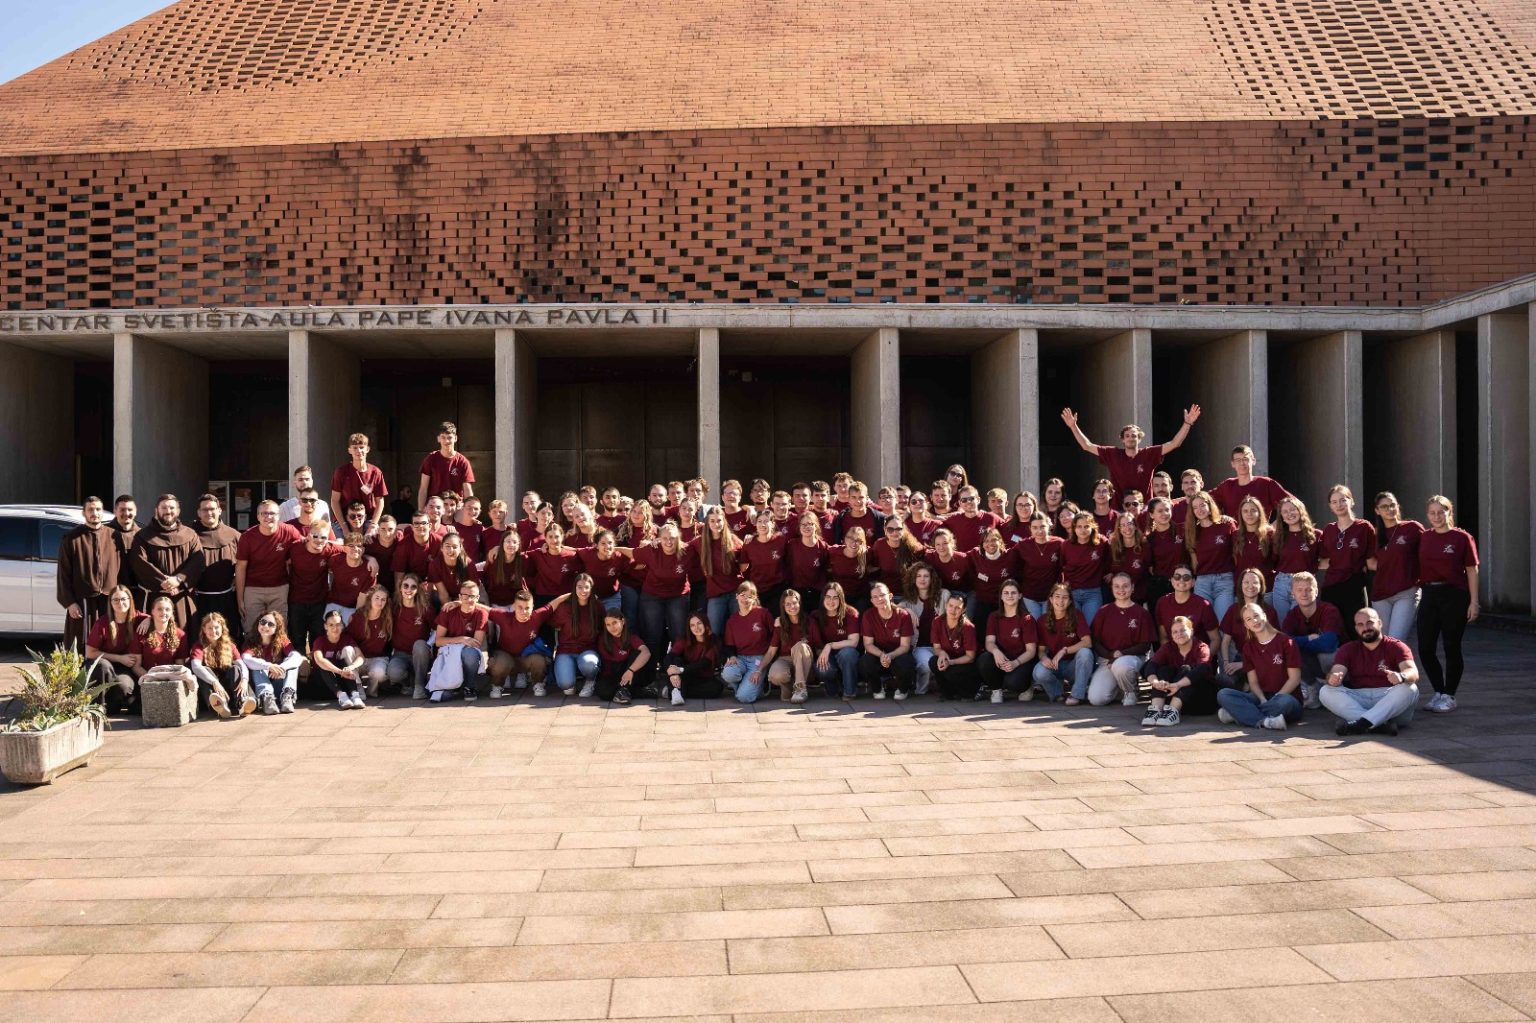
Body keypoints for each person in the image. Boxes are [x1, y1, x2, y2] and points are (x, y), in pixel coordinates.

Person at [1059, 404, 1201, 501]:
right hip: (1120, 510)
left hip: (1145, 509)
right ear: (1122, 439)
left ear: (1139, 438)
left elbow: (1175, 443)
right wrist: (1073, 426)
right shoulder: (1112, 454)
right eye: (1127, 436)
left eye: (1134, 435)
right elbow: (1087, 446)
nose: (1131, 438)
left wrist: (1187, 423)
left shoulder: (1149, 454)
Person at [1418, 495, 1480, 713]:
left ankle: (1449, 695)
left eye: (1441, 512)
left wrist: (1474, 602)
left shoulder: (1461, 538)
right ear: (1427, 515)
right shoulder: (1424, 537)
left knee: (1451, 646)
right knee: (1425, 647)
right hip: (1429, 593)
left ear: (1449, 512)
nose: (1436, 516)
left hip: (1454, 595)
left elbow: (1471, 570)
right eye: (1432, 513)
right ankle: (1438, 691)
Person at [1322, 607, 1420, 736]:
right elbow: (1336, 671)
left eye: (1369, 623)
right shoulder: (1348, 649)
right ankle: (1378, 725)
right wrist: (1333, 678)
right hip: (1359, 698)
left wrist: (1401, 676)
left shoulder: (1397, 646)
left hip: (1389, 698)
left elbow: (1413, 672)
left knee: (1410, 688)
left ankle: (1361, 723)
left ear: (1379, 623)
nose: (1365, 628)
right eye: (1360, 624)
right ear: (1356, 628)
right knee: (1325, 691)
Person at [1215, 603, 1304, 731]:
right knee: (1223, 694)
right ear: (1246, 625)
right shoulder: (1248, 647)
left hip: (1286, 697)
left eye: (1256, 615)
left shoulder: (1286, 642)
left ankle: (1240, 714)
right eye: (1249, 619)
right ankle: (1266, 721)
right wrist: (1262, 699)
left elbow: (1294, 679)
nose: (1254, 621)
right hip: (1261, 697)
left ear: (1264, 616)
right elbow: (1253, 682)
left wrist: (1277, 696)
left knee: (1284, 702)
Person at [56, 495, 119, 653]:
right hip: (82, 602)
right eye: (90, 510)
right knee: (80, 644)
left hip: (108, 601)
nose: (95, 513)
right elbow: (63, 574)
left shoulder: (114, 536)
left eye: (98, 509)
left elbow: (121, 569)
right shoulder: (72, 538)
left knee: (108, 641)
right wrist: (70, 602)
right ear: (84, 513)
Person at [129, 494, 203, 627]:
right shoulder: (142, 536)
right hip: (154, 598)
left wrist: (178, 580)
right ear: (156, 510)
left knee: (183, 635)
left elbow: (197, 561)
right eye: (164, 508)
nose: (168, 511)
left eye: (172, 508)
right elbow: (139, 562)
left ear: (178, 511)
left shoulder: (190, 535)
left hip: (181, 597)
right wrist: (164, 582)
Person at [236, 500, 303, 637]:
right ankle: (252, 651)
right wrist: (240, 599)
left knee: (279, 630)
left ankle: (278, 652)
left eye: (272, 513)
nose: (268, 517)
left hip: (279, 588)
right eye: (264, 513)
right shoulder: (247, 537)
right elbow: (241, 568)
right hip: (253, 589)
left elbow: (305, 545)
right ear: (258, 516)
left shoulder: (288, 531)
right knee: (252, 630)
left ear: (279, 515)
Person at [1318, 484, 1377, 641]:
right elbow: (1324, 561)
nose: (1339, 504)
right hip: (1330, 587)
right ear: (1330, 506)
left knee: (1356, 630)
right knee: (1332, 630)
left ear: (1351, 501)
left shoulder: (1364, 527)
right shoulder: (1328, 530)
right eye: (1334, 502)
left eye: (1343, 500)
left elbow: (1371, 561)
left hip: (1354, 586)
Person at [1087, 573, 1154, 706]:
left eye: (1125, 586)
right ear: (1111, 588)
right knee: (1096, 699)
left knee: (1121, 665)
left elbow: (1145, 645)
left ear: (1132, 588)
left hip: (1132, 659)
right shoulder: (1104, 611)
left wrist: (1121, 654)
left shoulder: (1142, 613)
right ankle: (1119, 688)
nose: (1121, 590)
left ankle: (1131, 691)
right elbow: (1095, 641)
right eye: (1116, 586)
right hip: (1107, 660)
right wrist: (1110, 655)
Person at [1281, 571, 1344, 708]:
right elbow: (1283, 643)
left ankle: (1334, 687)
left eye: (1308, 589)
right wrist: (1308, 638)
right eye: (1299, 590)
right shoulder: (1292, 615)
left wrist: (1298, 642)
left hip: (1335, 660)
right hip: (1310, 659)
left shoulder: (1329, 610)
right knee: (1290, 653)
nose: (1304, 594)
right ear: (1293, 594)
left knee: (1324, 654)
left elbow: (1328, 644)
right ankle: (1313, 688)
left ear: (1316, 591)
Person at [1141, 615, 1215, 726]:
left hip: (1201, 699)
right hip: (1177, 698)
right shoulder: (1168, 647)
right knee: (1164, 670)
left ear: (1191, 631)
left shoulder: (1201, 647)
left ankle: (1172, 711)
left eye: (1183, 630)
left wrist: (1178, 685)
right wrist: (1155, 682)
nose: (1179, 634)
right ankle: (1156, 710)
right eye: (1175, 632)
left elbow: (1202, 669)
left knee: (1187, 669)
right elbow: (1151, 665)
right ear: (1171, 635)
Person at [1370, 491, 1423, 643]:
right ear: (1377, 510)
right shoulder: (1375, 535)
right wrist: (1391, 565)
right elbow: (1371, 563)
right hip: (1380, 595)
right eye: (1384, 506)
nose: (1389, 509)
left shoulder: (1412, 528)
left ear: (1398, 506)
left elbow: (1427, 551)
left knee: (1396, 640)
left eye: (1392, 505)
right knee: (1382, 641)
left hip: (1406, 592)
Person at [635, 523, 692, 663]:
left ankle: (676, 666)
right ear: (659, 539)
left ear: (678, 538)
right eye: (665, 538)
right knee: (652, 633)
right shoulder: (652, 549)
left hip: (678, 596)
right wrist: (610, 549)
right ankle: (652, 668)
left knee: (679, 634)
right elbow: (632, 553)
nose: (669, 542)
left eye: (672, 538)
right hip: (652, 596)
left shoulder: (687, 550)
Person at [189, 493, 243, 645]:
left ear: (219, 510)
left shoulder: (234, 535)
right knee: (201, 638)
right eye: (205, 510)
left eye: (212, 509)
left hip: (227, 598)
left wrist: (237, 579)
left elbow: (244, 563)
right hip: (199, 599)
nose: (209, 513)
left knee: (229, 636)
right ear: (199, 513)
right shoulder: (189, 535)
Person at [426, 579, 489, 702]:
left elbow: (476, 643)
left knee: (470, 653)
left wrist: (460, 644)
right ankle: (454, 686)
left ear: (477, 598)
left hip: (467, 654)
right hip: (449, 656)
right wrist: (462, 639)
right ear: (460, 597)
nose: (468, 599)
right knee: (442, 696)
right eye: (465, 596)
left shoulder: (481, 614)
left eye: (472, 596)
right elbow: (438, 641)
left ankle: (469, 686)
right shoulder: (448, 611)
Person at [1031, 583, 1095, 704]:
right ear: (1051, 599)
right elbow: (1041, 650)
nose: (1061, 601)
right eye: (1057, 596)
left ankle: (1076, 695)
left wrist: (1064, 650)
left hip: (1073, 666)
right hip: (1054, 664)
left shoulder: (1076, 615)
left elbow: (1087, 642)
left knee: (1085, 653)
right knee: (1039, 672)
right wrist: (1044, 658)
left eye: (1065, 597)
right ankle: (1057, 694)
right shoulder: (1042, 620)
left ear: (1070, 601)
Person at [85, 585, 145, 712]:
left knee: (123, 687)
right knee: (104, 666)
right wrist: (119, 658)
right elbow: (90, 653)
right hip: (100, 666)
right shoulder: (102, 623)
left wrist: (149, 620)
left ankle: (112, 707)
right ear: (110, 603)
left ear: (130, 600)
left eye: (123, 599)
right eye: (115, 600)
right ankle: (97, 706)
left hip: (123, 668)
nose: (120, 603)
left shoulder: (138, 618)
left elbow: (158, 616)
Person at [1218, 568, 1278, 685]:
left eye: (1255, 582)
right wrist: (1226, 663)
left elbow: (1273, 647)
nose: (1250, 586)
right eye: (1246, 582)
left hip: (1262, 658)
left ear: (1261, 586)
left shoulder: (1269, 612)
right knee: (1224, 682)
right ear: (1240, 585)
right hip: (1240, 656)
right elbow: (1225, 642)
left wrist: (1242, 665)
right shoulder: (1233, 610)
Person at [980, 580, 1037, 702]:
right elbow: (989, 642)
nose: (1009, 596)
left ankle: (1027, 687)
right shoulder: (994, 616)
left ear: (1020, 596)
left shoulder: (1027, 619)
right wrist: (996, 651)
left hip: (1021, 661)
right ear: (1001, 596)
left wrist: (1015, 663)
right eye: (1006, 593)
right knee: (984, 660)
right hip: (1002, 659)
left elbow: (1031, 651)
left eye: (1013, 593)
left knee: (1012, 683)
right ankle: (996, 690)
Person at [1184, 490, 1237, 622]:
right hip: (1202, 582)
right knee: (1204, 623)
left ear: (1210, 505)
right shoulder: (1192, 531)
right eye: (1195, 507)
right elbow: (1194, 562)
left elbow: (1237, 553)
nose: (1199, 510)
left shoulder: (1226, 525)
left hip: (1224, 580)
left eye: (1202, 505)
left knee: (1222, 621)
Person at [286, 522, 336, 663]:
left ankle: (317, 669)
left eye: (323, 537)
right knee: (297, 638)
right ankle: (299, 670)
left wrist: (371, 559)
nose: (319, 540)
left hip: (319, 602)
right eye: (315, 536)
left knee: (318, 638)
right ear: (307, 536)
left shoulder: (329, 549)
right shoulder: (295, 548)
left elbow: (349, 548)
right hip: (296, 600)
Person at [131, 594, 195, 702]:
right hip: (148, 680)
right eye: (159, 609)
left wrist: (168, 682)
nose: (164, 612)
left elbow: (179, 665)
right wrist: (153, 680)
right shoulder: (141, 632)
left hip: (171, 680)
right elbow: (136, 666)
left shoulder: (180, 635)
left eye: (167, 609)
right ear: (152, 611)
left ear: (172, 613)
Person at [189, 612, 253, 719]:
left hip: (229, 688)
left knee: (235, 668)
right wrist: (214, 682)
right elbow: (196, 666)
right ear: (204, 629)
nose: (213, 631)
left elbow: (242, 665)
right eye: (210, 628)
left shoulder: (229, 645)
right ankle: (220, 706)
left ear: (222, 628)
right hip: (213, 690)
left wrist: (245, 680)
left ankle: (242, 703)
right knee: (204, 670)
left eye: (216, 627)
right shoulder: (198, 646)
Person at [859, 581, 916, 700]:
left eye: (882, 595)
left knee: (907, 661)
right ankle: (877, 688)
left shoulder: (903, 615)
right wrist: (882, 655)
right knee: (865, 661)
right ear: (871, 601)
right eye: (875, 597)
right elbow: (868, 644)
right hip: (879, 655)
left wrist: (890, 655)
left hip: (897, 654)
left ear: (890, 596)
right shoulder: (868, 615)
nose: (879, 599)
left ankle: (902, 689)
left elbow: (905, 646)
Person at [897, 563, 947, 696]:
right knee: (927, 665)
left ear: (932, 579)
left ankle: (942, 688)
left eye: (926, 576)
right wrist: (907, 610)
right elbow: (893, 607)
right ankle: (921, 691)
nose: (922, 579)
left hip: (942, 645)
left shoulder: (943, 595)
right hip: (921, 646)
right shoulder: (909, 601)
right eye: (918, 576)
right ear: (914, 579)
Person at [1268, 496, 1320, 623]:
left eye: (1292, 509)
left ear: (1300, 510)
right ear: (1281, 517)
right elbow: (1272, 562)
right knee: (1283, 624)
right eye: (1285, 512)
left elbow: (1325, 559)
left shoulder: (1315, 535)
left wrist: (1312, 569)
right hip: (1281, 583)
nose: (1289, 514)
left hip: (1304, 584)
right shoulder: (1278, 537)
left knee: (1300, 623)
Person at [690, 507, 742, 635]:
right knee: (714, 630)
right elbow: (680, 547)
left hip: (735, 593)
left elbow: (747, 555)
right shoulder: (700, 542)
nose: (716, 524)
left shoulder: (733, 540)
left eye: (719, 520)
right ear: (707, 522)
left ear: (724, 521)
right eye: (712, 521)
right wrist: (657, 540)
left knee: (738, 628)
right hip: (715, 594)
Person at [722, 581, 776, 703]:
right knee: (728, 673)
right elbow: (729, 644)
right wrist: (732, 656)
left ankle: (756, 687)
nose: (745, 599)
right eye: (743, 595)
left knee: (744, 697)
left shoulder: (763, 614)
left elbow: (775, 636)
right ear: (737, 596)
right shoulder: (732, 620)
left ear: (755, 598)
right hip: (741, 659)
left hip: (759, 660)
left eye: (750, 596)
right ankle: (751, 688)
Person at [552, 573, 604, 697]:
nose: (583, 591)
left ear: (591, 589)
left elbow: (603, 628)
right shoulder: (564, 607)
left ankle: (590, 680)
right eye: (579, 587)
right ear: (574, 588)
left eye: (586, 587)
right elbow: (552, 622)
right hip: (566, 651)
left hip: (588, 650)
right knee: (566, 685)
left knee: (589, 665)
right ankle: (573, 678)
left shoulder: (597, 606)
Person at [243, 611, 303, 715]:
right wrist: (269, 666)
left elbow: (297, 657)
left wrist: (281, 668)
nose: (265, 626)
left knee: (292, 664)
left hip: (278, 683)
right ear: (258, 623)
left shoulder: (282, 640)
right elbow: (246, 658)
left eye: (270, 624)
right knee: (258, 666)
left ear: (276, 628)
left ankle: (287, 696)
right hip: (260, 687)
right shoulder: (251, 642)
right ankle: (266, 699)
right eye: (263, 622)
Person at [330, 432, 388, 537]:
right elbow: (334, 500)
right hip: (344, 519)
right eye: (355, 448)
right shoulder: (341, 472)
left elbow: (380, 501)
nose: (359, 451)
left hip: (368, 519)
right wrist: (344, 527)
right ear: (349, 450)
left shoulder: (376, 472)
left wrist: (373, 525)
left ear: (367, 449)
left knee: (375, 540)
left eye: (361, 447)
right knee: (339, 543)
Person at [1210, 446, 1292, 520]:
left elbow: (1293, 504)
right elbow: (1206, 502)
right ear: (1233, 464)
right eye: (1238, 460)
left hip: (1260, 531)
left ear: (1253, 461)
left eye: (1245, 459)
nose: (1242, 463)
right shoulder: (1227, 485)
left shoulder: (1266, 484)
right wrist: (1221, 519)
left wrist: (1275, 526)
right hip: (1234, 532)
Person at [810, 582, 862, 700]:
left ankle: (849, 691)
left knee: (848, 653)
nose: (831, 601)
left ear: (841, 599)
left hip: (845, 655)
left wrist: (830, 645)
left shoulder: (850, 613)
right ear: (823, 598)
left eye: (835, 598)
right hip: (827, 655)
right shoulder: (816, 616)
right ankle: (832, 685)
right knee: (822, 669)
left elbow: (853, 642)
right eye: (828, 597)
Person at [390, 574, 436, 700]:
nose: (409, 589)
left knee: (420, 645)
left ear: (417, 590)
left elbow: (437, 629)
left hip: (421, 654)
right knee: (393, 673)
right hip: (400, 654)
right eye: (405, 586)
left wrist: (429, 645)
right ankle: (407, 683)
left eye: (413, 587)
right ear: (400, 588)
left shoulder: (425, 608)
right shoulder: (394, 607)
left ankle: (419, 687)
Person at [663, 613, 724, 704]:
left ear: (705, 624)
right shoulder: (684, 639)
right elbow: (670, 656)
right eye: (692, 625)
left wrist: (680, 670)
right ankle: (676, 691)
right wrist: (671, 672)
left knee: (717, 688)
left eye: (699, 623)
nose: (696, 628)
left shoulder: (714, 641)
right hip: (685, 675)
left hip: (702, 677)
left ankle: (675, 691)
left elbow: (704, 663)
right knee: (676, 660)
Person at [930, 592, 982, 701]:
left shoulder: (968, 627)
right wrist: (942, 654)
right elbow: (936, 647)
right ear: (946, 605)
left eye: (957, 608)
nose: (953, 610)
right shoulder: (937, 621)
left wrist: (951, 662)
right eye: (950, 606)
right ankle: (947, 693)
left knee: (952, 671)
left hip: (965, 664)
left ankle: (968, 693)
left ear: (963, 610)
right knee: (934, 661)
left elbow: (970, 657)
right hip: (948, 659)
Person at [311, 609, 367, 709]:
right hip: (324, 685)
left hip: (342, 682)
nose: (335, 628)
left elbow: (360, 657)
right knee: (325, 665)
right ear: (325, 626)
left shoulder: (347, 639)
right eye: (331, 625)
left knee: (345, 663)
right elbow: (319, 660)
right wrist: (340, 672)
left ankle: (355, 695)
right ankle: (341, 696)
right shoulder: (319, 641)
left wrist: (350, 667)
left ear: (342, 625)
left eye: (338, 624)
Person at [346, 585, 395, 699]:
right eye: (377, 598)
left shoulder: (388, 618)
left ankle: (371, 692)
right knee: (347, 650)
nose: (379, 602)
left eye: (383, 599)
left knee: (379, 673)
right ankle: (358, 687)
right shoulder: (358, 617)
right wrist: (357, 654)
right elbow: (347, 639)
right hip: (359, 658)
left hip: (378, 658)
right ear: (370, 599)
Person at [594, 609, 651, 705]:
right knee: (601, 690)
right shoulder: (602, 639)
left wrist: (630, 670)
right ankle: (633, 691)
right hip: (611, 674)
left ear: (623, 621)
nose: (612, 627)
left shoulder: (631, 637)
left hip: (628, 672)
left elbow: (646, 652)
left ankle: (624, 691)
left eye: (614, 623)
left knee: (638, 653)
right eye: (608, 625)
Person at [765, 589, 813, 703]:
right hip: (785, 659)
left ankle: (800, 689)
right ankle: (791, 688)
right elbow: (771, 651)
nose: (792, 606)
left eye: (795, 603)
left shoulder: (810, 622)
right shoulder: (780, 624)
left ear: (800, 603)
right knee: (775, 674)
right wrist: (758, 670)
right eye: (788, 604)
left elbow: (819, 647)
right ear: (783, 606)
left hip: (805, 661)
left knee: (800, 646)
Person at [1154, 567, 1220, 648]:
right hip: (1172, 654)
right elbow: (1164, 638)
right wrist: (1168, 655)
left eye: (1186, 577)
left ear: (1193, 582)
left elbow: (1215, 639)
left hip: (1198, 653)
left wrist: (1205, 655)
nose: (1181, 580)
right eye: (1177, 577)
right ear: (1172, 581)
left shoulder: (1203, 605)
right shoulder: (1162, 603)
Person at [1062, 512, 1109, 625]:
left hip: (1093, 592)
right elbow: (1061, 566)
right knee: (1075, 626)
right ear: (1074, 528)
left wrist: (1110, 572)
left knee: (1090, 625)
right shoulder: (1066, 545)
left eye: (1086, 526)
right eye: (1079, 526)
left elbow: (1110, 560)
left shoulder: (1101, 543)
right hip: (1072, 592)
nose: (1083, 530)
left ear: (1093, 527)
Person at [738, 512, 789, 615]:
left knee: (775, 617)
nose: (762, 524)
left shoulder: (781, 540)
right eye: (759, 521)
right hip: (757, 589)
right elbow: (743, 567)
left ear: (773, 524)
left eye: (766, 521)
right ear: (756, 524)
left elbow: (788, 560)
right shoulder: (749, 543)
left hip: (777, 587)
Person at [1016, 513, 1064, 620]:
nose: (1039, 531)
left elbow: (1066, 565)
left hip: (1051, 595)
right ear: (1030, 528)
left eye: (1042, 526)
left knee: (1046, 623)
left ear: (1049, 526)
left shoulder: (1059, 543)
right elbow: (1011, 563)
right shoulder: (1023, 545)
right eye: (1035, 528)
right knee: (1035, 623)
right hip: (1030, 595)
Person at [1144, 496, 1186, 613]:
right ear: (1151, 515)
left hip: (1183, 583)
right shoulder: (1149, 539)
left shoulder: (1182, 530)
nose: (1165, 514)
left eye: (1167, 510)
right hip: (1161, 587)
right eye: (1160, 511)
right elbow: (1150, 568)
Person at [966, 527, 1017, 625]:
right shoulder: (975, 555)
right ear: (982, 544)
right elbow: (959, 559)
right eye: (986, 541)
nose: (990, 544)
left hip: (1005, 602)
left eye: (994, 540)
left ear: (1000, 541)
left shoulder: (1010, 555)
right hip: (983, 601)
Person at [418, 421, 475, 505]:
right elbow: (423, 489)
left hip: (455, 506)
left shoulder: (463, 462)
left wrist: (469, 508)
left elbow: (467, 490)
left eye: (449, 437)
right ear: (438, 439)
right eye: (443, 437)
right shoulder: (430, 459)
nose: (446, 441)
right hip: (436, 506)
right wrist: (421, 510)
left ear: (455, 438)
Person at [577, 529, 633, 614]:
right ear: (596, 546)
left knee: (611, 618)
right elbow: (573, 551)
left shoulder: (619, 556)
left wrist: (619, 549)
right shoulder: (588, 553)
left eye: (610, 543)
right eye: (603, 543)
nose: (607, 546)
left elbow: (637, 557)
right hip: (591, 597)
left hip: (612, 597)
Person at [326, 532, 377, 625]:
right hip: (333, 604)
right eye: (351, 545)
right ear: (345, 548)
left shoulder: (369, 570)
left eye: (359, 546)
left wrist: (356, 619)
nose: (355, 549)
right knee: (331, 627)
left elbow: (362, 598)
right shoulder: (335, 560)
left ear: (363, 550)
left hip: (352, 608)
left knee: (354, 625)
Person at [427, 530, 480, 609]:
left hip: (467, 597)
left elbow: (472, 593)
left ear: (460, 548)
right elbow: (443, 594)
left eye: (455, 547)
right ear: (441, 548)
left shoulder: (469, 564)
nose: (451, 550)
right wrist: (449, 610)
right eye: (447, 546)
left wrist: (458, 604)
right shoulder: (435, 565)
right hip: (446, 596)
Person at [827, 525, 874, 610]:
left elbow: (877, 566)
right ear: (845, 539)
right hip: (839, 594)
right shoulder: (834, 551)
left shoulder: (867, 553)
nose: (854, 543)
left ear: (862, 542)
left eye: (858, 540)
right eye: (850, 538)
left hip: (860, 595)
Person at [943, 485, 1000, 553]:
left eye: (971, 498)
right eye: (964, 500)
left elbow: (1009, 528)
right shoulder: (953, 521)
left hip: (986, 559)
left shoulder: (992, 518)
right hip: (963, 559)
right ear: (960, 503)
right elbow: (935, 525)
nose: (968, 502)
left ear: (978, 500)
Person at [481, 529, 529, 609]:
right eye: (508, 541)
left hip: (515, 603)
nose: (511, 545)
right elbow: (487, 582)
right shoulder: (494, 559)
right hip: (496, 604)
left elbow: (524, 586)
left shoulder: (523, 560)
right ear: (502, 543)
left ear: (519, 545)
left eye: (514, 542)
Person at [109, 495, 140, 589]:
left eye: (130, 510)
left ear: (135, 511)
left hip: (138, 591)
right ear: (115, 511)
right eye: (122, 510)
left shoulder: (142, 535)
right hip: (112, 591)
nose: (126, 513)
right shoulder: (105, 533)